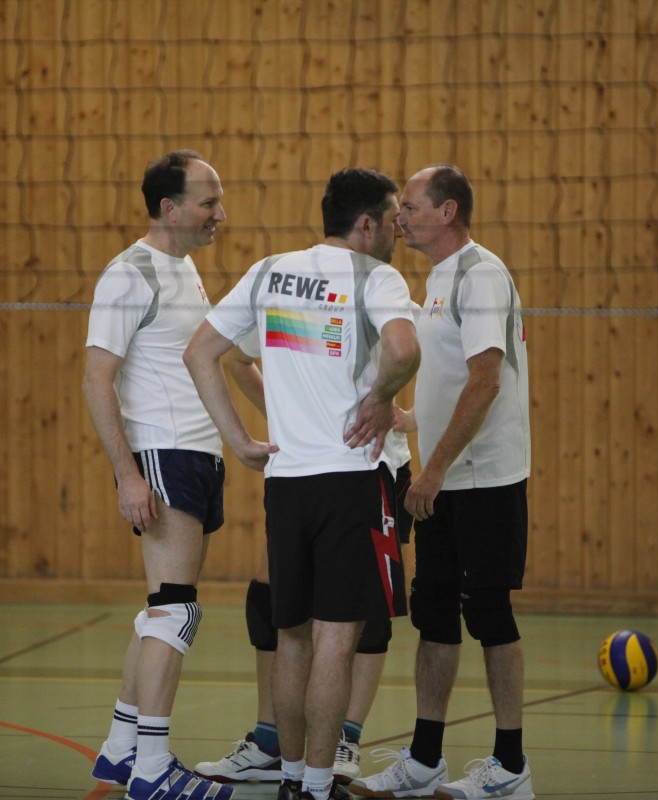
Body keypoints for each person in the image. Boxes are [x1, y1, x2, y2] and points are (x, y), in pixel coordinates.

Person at [183, 168, 420, 800]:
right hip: (352, 480)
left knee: (291, 640)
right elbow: (404, 350)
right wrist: (382, 398)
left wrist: (239, 440)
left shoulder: (269, 271)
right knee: (336, 642)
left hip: (286, 482)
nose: (398, 231)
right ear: (365, 224)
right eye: (391, 219)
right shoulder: (376, 277)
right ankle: (317, 786)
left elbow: (201, 352)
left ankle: (289, 780)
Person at [349, 165, 535, 800]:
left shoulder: (481, 275)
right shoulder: (437, 280)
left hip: (484, 480)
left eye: (410, 206)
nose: (400, 217)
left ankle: (510, 766)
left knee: (489, 612)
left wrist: (430, 469)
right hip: (447, 481)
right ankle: (425, 758)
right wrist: (410, 417)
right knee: (434, 615)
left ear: (447, 211)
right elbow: (451, 378)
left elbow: (485, 381)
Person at [196, 338, 416, 787]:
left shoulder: (382, 305)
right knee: (272, 600)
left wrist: (409, 417)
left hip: (370, 464)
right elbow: (237, 358)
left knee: (363, 613)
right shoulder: (282, 302)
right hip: (299, 467)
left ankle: (345, 736)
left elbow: (417, 353)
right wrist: (287, 416)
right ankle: (271, 741)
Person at [82, 149, 233, 800]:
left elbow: (217, 358)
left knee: (162, 611)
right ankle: (152, 768)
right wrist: (127, 474)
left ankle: (122, 749)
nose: (220, 214)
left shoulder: (185, 268)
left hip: (195, 454)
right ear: (169, 209)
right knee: (176, 609)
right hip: (163, 453)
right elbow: (96, 378)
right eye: (208, 202)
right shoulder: (130, 273)